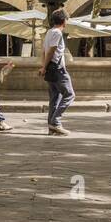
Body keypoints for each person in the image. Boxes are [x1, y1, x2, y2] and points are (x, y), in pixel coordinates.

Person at [40, 8, 74, 136]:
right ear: (63, 20)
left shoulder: (49, 32)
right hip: (58, 69)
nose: (67, 22)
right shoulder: (58, 33)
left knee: (55, 98)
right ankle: (55, 122)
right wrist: (44, 67)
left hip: (50, 69)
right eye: (67, 19)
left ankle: (51, 127)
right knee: (69, 95)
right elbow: (51, 51)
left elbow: (43, 51)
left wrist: (43, 66)